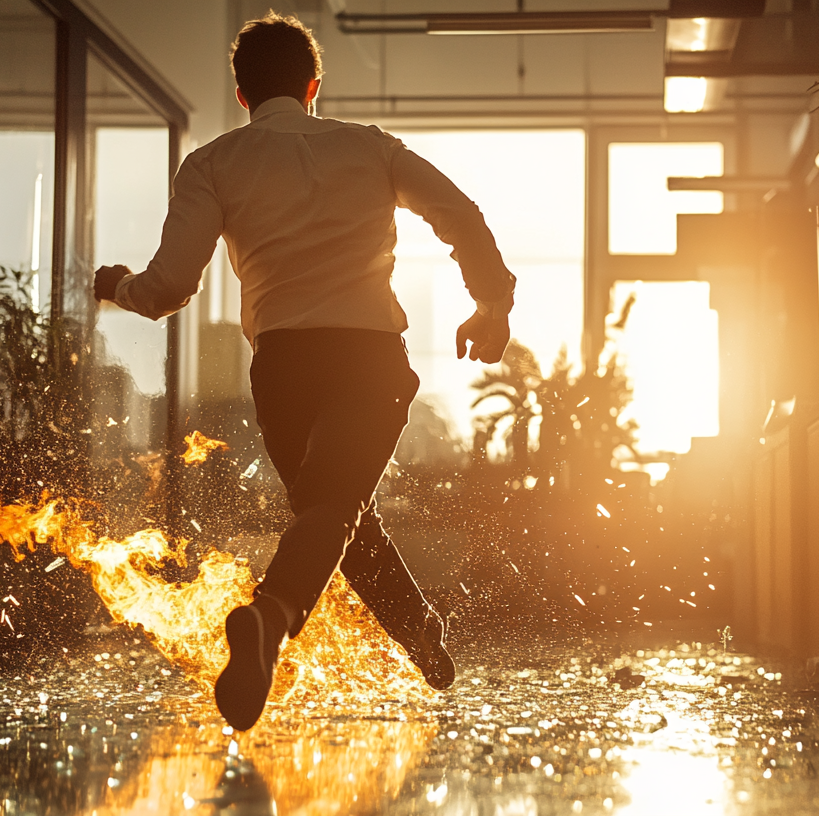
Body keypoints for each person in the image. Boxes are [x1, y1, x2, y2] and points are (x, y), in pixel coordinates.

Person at [93, 12, 514, 731]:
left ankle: (419, 633)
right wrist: (491, 303)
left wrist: (120, 286)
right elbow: (459, 214)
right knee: (335, 510)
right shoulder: (372, 150)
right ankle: (270, 615)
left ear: (241, 93)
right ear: (313, 86)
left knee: (334, 511)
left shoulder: (214, 164)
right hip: (368, 357)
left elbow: (168, 290)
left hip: (283, 368)